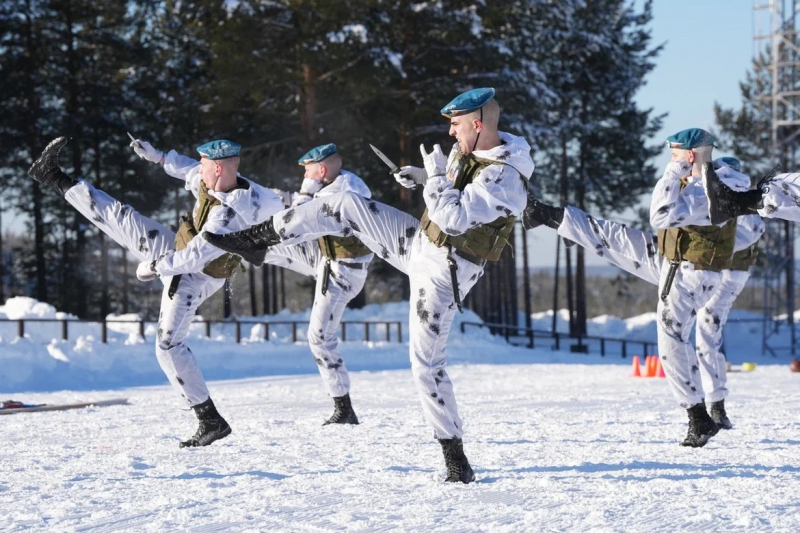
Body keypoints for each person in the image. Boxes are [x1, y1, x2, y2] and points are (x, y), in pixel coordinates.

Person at [203, 88, 535, 483]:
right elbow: (452, 187)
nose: (451, 133)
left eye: (456, 124)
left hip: (444, 271)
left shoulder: (506, 178)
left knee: (426, 367)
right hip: (420, 243)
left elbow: (454, 219)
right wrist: (419, 176)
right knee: (344, 202)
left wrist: (432, 180)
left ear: (478, 124)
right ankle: (256, 240)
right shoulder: (476, 149)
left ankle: (455, 458)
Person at [27, 136, 284, 447]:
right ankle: (52, 175)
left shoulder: (229, 215)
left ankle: (210, 420)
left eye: (205, 165)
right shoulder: (214, 180)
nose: (199, 170)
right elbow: (188, 170)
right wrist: (159, 157)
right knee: (122, 217)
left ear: (217, 168)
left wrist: (153, 268)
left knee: (168, 346)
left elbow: (193, 258)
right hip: (178, 249)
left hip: (194, 275)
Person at [524, 157, 763, 434]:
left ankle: (712, 407)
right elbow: (669, 216)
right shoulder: (700, 189)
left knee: (701, 335)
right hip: (675, 260)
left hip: (710, 273)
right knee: (618, 237)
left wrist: (697, 216)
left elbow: (736, 231)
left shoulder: (734, 199)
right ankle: (554, 218)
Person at [260, 143, 374, 425]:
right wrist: (287, 199)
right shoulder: (340, 183)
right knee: (262, 247)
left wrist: (301, 196)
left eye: (307, 172)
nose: (304, 177)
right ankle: (230, 250)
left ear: (320, 171)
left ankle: (343, 407)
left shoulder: (344, 192)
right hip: (327, 257)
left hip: (343, 271)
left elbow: (294, 226)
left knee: (320, 338)